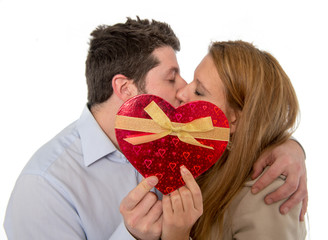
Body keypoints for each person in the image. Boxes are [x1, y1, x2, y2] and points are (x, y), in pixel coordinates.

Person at [4, 17, 307, 240]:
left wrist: (289, 148)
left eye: (195, 87)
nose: (183, 92)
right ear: (125, 88)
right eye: (172, 77)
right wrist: (132, 235)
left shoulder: (193, 147)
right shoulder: (44, 189)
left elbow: (244, 126)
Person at [169, 39, 307, 239]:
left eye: (199, 91)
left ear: (235, 119)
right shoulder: (205, 159)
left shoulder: (268, 196)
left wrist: (176, 236)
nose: (181, 93)